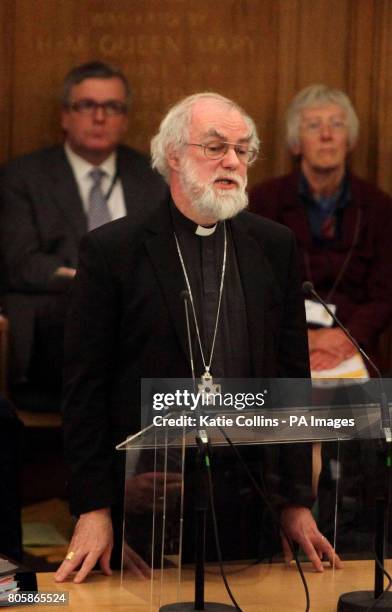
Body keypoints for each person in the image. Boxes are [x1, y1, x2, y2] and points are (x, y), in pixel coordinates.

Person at [55, 92, 341, 584]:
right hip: (147, 503)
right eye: (214, 147)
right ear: (172, 155)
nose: (232, 161)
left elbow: (293, 377)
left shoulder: (274, 246)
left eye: (242, 150)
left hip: (249, 499)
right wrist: (94, 509)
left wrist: (296, 501)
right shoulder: (112, 251)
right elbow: (84, 391)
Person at [0, 61, 168, 403]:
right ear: (65, 115)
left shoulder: (153, 180)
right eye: (87, 105)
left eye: (113, 107)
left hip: (140, 320)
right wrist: (90, 280)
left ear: (126, 118)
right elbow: (20, 264)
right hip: (59, 324)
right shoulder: (22, 178)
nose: (100, 117)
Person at [250, 84, 392, 373]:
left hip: (355, 345)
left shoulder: (379, 207)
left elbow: (385, 295)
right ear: (295, 142)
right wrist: (307, 338)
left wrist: (345, 338)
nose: (327, 135)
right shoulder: (263, 202)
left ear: (349, 139)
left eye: (336, 125)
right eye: (314, 125)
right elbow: (255, 290)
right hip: (283, 344)